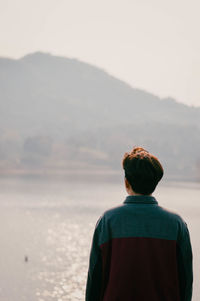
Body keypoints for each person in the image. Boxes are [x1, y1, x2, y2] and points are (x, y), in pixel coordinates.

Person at [85, 147, 193, 301]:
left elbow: (95, 280)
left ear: (126, 182)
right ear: (155, 182)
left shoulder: (108, 221)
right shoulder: (176, 224)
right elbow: (186, 281)